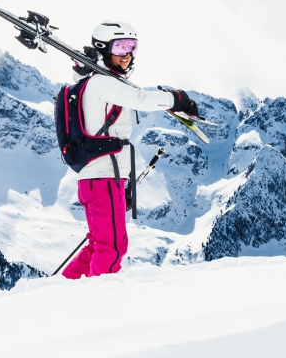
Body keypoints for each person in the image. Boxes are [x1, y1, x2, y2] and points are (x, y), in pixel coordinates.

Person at [61, 20, 200, 280]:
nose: (128, 54)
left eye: (133, 47)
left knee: (98, 245)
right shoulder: (102, 83)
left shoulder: (97, 82)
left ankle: (62, 293)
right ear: (103, 49)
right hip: (102, 177)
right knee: (112, 248)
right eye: (121, 46)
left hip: (98, 178)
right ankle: (96, 305)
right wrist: (177, 98)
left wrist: (121, 184)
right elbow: (141, 99)